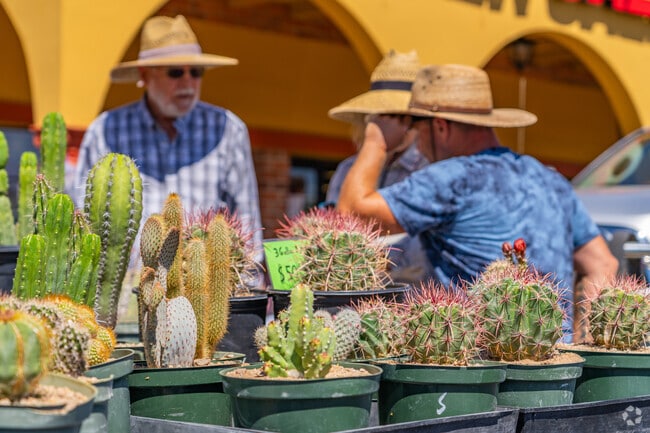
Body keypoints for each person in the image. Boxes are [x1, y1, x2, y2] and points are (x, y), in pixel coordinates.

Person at [337, 63, 618, 340]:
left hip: (483, 370)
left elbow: (350, 216)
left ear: (441, 127)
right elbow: (603, 264)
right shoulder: (550, 179)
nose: (417, 143)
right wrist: (582, 343)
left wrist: (376, 140)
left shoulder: (452, 178)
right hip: (559, 368)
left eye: (416, 129)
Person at [70, 15, 262, 256]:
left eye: (196, 71)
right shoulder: (106, 130)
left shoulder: (228, 129)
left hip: (206, 288)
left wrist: (249, 286)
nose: (188, 82)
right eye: (175, 72)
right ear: (144, 75)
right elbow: (84, 217)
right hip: (123, 289)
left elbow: (246, 219)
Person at [325, 50, 432, 284]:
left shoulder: (429, 173)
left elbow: (417, 258)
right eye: (385, 116)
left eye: (400, 116)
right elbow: (336, 235)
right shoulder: (348, 170)